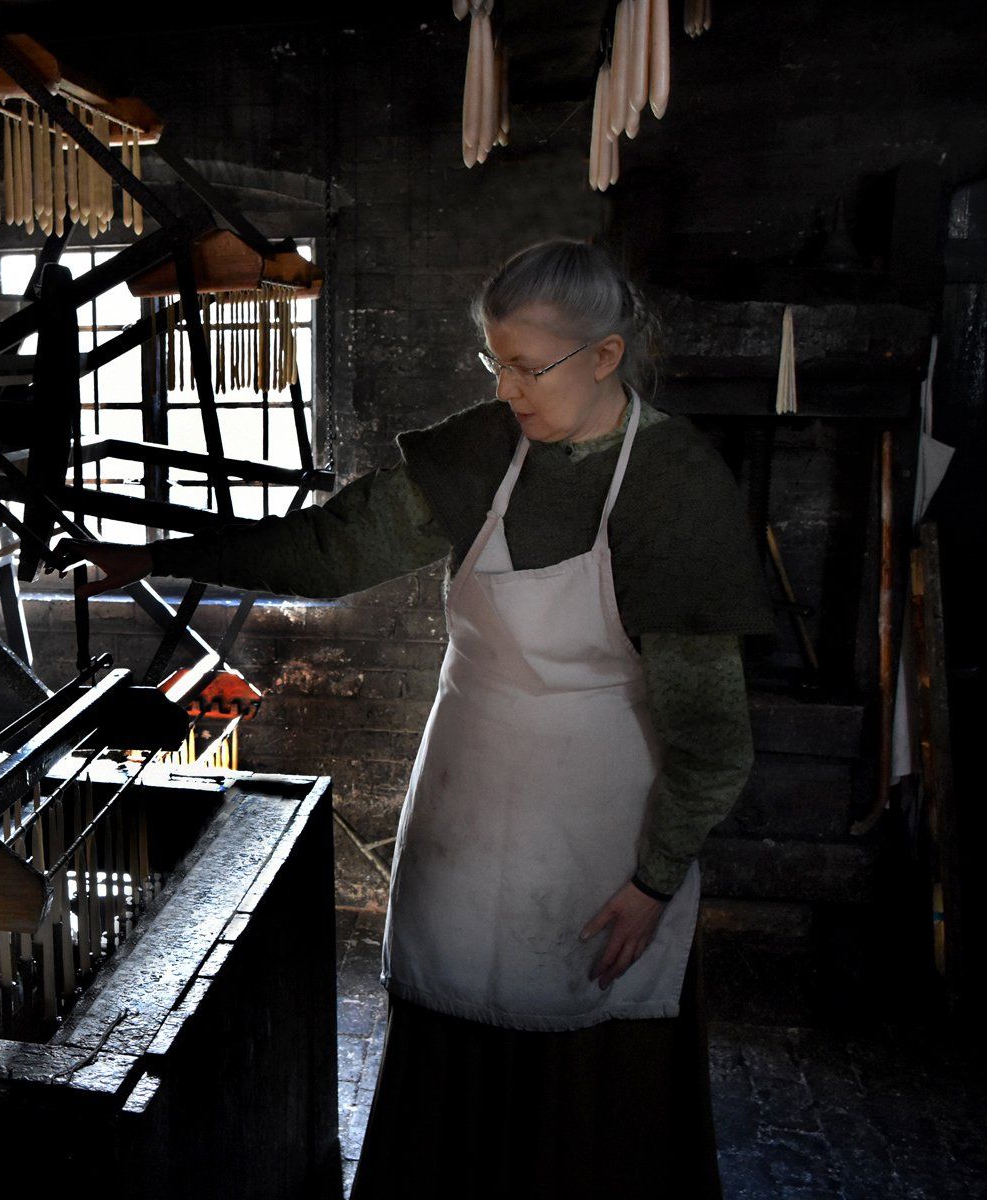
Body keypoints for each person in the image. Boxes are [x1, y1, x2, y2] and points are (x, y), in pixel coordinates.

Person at [48, 238, 773, 1197]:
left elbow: (712, 737)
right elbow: (327, 552)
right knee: (450, 1051)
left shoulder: (673, 488)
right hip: (466, 796)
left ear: (605, 355)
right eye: (495, 362)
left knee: (587, 1074)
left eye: (528, 366)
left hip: (604, 824)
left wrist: (652, 879)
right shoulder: (483, 452)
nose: (509, 389)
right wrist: (159, 552)